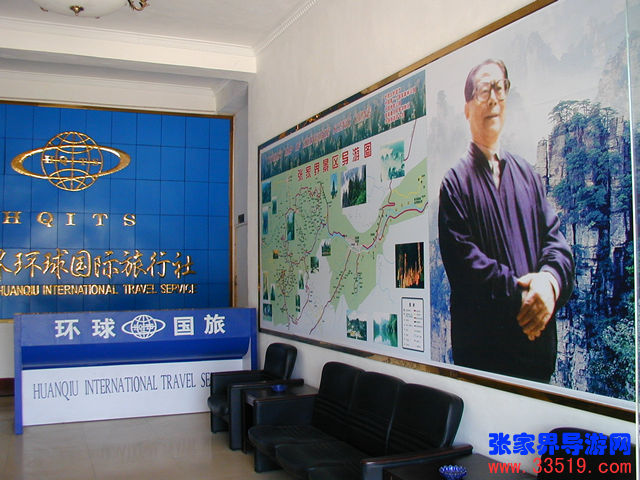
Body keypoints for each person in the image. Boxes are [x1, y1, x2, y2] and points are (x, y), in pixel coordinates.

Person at [438, 58, 574, 382]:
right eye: (483, 90)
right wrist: (524, 297)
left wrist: (548, 284)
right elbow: (467, 267)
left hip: (536, 362)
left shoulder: (528, 176)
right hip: (485, 363)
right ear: (467, 108)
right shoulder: (455, 183)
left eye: (500, 88)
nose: (494, 99)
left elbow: (557, 245)